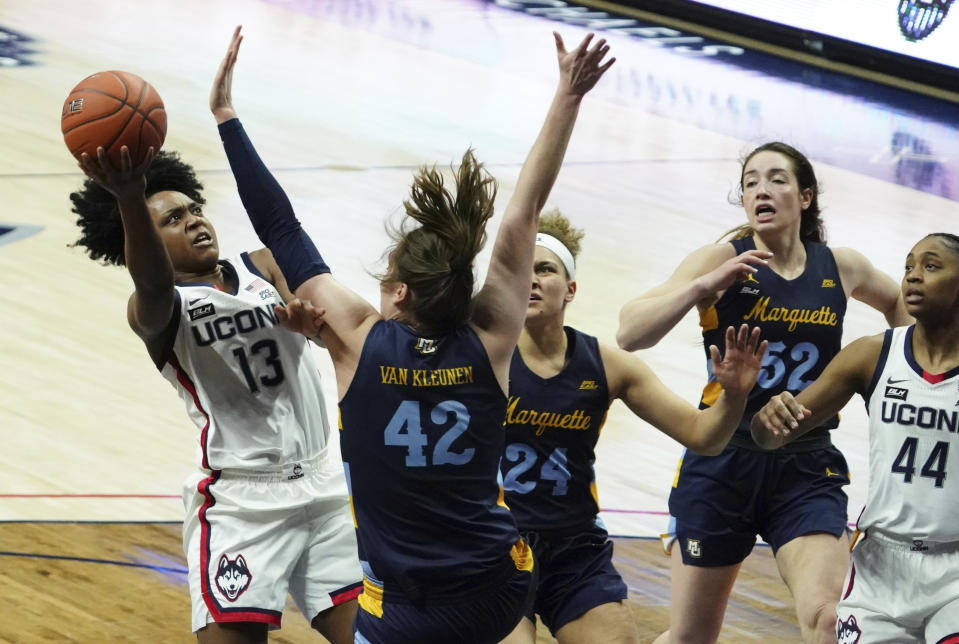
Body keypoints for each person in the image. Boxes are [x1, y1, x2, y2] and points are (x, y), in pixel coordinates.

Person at [217, 25, 615, 644]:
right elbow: (523, 215)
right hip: (495, 589)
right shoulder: (489, 341)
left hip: (403, 606)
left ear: (400, 293)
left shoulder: (358, 340)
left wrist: (225, 116)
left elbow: (280, 226)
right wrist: (568, 96)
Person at [68, 32, 362, 644]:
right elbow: (149, 277)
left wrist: (309, 323)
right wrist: (127, 195)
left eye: (192, 208)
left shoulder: (262, 268)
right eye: (171, 220)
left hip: (327, 484)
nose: (194, 219)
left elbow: (284, 224)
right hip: (243, 504)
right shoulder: (157, 310)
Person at [616, 141, 912, 643]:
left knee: (827, 618)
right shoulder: (720, 258)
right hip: (722, 462)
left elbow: (902, 309)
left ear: (806, 196)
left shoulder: (841, 266)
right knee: (691, 637)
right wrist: (698, 288)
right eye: (750, 181)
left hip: (805, 465)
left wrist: (913, 373)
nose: (760, 190)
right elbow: (629, 333)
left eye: (776, 179)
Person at [498, 210, 767, 644]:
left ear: (570, 290)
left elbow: (703, 436)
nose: (531, 279)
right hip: (495, 549)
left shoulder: (606, 364)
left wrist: (734, 394)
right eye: (522, 270)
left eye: (545, 269)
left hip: (574, 550)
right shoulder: (482, 359)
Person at [750, 232, 959, 644]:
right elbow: (770, 437)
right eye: (908, 266)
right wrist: (767, 418)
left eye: (931, 266)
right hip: (881, 567)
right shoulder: (872, 354)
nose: (913, 277)